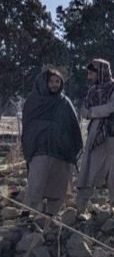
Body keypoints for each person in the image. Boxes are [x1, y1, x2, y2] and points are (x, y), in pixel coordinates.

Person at [20, 68, 83, 217]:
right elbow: (28, 126)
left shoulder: (64, 103)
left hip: (60, 152)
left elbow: (73, 126)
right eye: (51, 81)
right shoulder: (33, 101)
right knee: (36, 184)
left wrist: (71, 147)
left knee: (58, 186)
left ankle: (49, 217)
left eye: (57, 81)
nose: (54, 85)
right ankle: (26, 214)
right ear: (44, 82)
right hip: (39, 150)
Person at [75, 59, 114, 214]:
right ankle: (81, 208)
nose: (89, 76)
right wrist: (88, 112)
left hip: (113, 136)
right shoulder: (92, 91)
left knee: (113, 172)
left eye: (92, 73)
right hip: (95, 136)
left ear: (101, 73)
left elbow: (112, 107)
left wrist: (92, 112)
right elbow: (84, 109)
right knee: (88, 169)